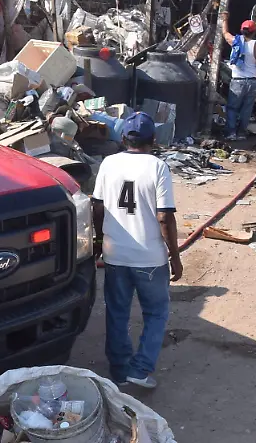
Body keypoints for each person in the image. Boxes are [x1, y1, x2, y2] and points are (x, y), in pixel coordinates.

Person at [91, 112, 183, 389]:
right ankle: (140, 368)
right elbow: (164, 216)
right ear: (153, 139)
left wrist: (99, 241)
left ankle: (119, 370)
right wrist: (175, 257)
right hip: (150, 258)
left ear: (123, 138)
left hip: (116, 255)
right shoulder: (157, 167)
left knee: (117, 312)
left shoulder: (109, 163)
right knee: (155, 313)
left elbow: (97, 206)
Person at [220, 13, 256, 141]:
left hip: (237, 82)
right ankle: (241, 133)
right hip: (252, 82)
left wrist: (224, 20)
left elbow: (225, 33)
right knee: (246, 109)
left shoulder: (235, 41)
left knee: (233, 108)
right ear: (254, 32)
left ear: (241, 30)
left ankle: (231, 133)